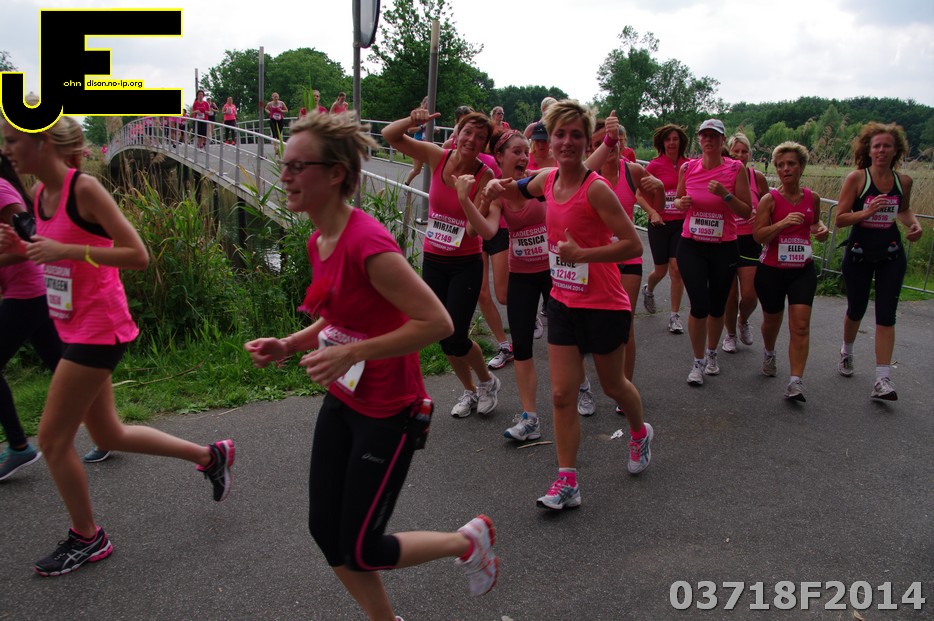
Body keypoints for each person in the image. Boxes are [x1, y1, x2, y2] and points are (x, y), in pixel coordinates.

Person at [244, 112, 498, 619]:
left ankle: (468, 542)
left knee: (362, 546)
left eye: (297, 166)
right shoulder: (319, 239)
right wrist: (290, 344)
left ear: (336, 173)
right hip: (344, 397)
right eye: (284, 164)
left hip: (390, 410)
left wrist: (352, 353)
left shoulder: (368, 243)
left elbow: (437, 322)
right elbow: (337, 315)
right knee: (325, 530)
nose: (285, 175)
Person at [0, 112, 234, 576]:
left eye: (12, 140)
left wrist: (65, 251)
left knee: (52, 440)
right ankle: (210, 456)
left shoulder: (83, 189)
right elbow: (51, 253)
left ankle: (88, 537)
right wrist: (21, 250)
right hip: (71, 324)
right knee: (109, 434)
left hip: (100, 326)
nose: (6, 150)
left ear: (43, 142)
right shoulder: (39, 195)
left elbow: (137, 255)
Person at [485, 100, 654, 510]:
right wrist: (494, 186)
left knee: (614, 385)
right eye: (559, 133)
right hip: (562, 302)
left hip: (604, 303)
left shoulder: (596, 189)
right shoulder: (547, 180)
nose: (565, 141)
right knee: (561, 394)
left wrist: (583, 255)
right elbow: (518, 187)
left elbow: (633, 245)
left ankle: (639, 432)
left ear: (586, 141)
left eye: (575, 135)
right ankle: (567, 481)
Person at [382, 106, 503, 419]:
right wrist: (411, 120)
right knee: (441, 333)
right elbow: (389, 135)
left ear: (485, 144)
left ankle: (487, 382)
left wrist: (466, 197)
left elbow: (474, 229)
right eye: (467, 132)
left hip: (465, 263)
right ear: (457, 133)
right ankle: (470, 390)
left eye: (480, 136)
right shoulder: (437, 156)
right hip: (434, 259)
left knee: (456, 335)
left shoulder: (485, 175)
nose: (471, 140)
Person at [454, 130, 551, 441]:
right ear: (499, 157)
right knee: (522, 348)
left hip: (554, 273)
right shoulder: (494, 193)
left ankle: (583, 387)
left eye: (526, 152)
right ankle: (530, 419)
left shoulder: (538, 179)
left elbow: (565, 172)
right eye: (516, 152)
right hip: (521, 274)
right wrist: (474, 199)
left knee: (567, 343)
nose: (523, 157)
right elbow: (481, 230)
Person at [834, 122, 923, 400]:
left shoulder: (903, 181)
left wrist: (914, 224)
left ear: (896, 150)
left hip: (891, 254)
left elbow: (903, 210)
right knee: (857, 308)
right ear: (869, 150)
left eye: (887, 146)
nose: (882, 150)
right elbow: (840, 219)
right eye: (877, 146)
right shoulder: (857, 179)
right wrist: (867, 212)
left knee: (886, 314)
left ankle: (882, 380)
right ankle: (847, 351)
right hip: (859, 252)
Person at [589, 118, 664, 415]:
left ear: (621, 142)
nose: (607, 148)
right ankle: (594, 383)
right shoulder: (587, 174)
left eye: (612, 141)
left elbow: (658, 204)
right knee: (594, 324)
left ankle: (624, 386)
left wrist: (659, 189)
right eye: (598, 144)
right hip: (596, 259)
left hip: (627, 259)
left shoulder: (633, 172)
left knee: (625, 325)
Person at [674, 119, 752, 386]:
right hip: (692, 245)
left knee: (717, 307)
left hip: (723, 247)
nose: (708, 140)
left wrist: (726, 195)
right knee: (700, 305)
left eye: (714, 136)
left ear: (722, 140)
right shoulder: (688, 168)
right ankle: (697, 362)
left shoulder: (735, 168)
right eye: (704, 136)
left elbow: (746, 211)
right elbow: (678, 200)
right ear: (699, 139)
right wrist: (681, 203)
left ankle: (712, 353)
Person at [0, 154, 63, 481]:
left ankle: (18, 445)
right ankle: (107, 431)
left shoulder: (0, 191)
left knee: (64, 367)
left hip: (28, 291)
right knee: (64, 367)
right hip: (31, 291)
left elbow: (30, 241)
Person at [753, 142, 828, 401]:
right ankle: (769, 352)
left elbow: (814, 222)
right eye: (781, 165)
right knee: (772, 322)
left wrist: (821, 229)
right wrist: (782, 223)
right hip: (771, 271)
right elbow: (758, 235)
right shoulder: (769, 200)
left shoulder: (812, 197)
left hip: (801, 270)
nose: (786, 169)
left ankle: (796, 382)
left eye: (791, 164)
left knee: (801, 325)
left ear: (801, 167)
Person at [722, 132, 770, 353]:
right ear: (729, 152)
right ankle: (730, 334)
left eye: (744, 152)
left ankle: (743, 320)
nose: (740, 155)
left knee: (750, 295)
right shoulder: (722, 175)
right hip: (726, 239)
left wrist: (760, 214)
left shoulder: (756, 177)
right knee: (730, 295)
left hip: (750, 240)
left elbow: (770, 205)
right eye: (736, 151)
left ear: (750, 154)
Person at [643, 124, 690, 334]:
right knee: (660, 270)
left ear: (681, 142)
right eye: (668, 139)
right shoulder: (654, 166)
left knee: (676, 269)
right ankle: (649, 288)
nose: (672, 143)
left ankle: (674, 316)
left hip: (681, 223)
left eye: (675, 139)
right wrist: (652, 212)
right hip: (659, 223)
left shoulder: (689, 165)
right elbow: (639, 195)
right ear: (662, 143)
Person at [404, 97, 430, 187]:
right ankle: (406, 184)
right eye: (427, 104)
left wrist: (435, 129)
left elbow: (428, 129)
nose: (428, 106)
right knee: (417, 170)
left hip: (428, 144)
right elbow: (410, 130)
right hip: (418, 144)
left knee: (434, 167)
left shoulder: (431, 114)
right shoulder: (418, 114)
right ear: (423, 103)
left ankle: (432, 190)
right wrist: (422, 127)